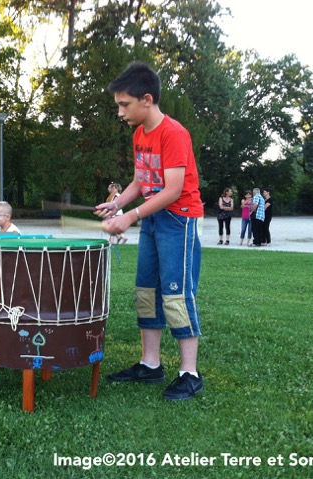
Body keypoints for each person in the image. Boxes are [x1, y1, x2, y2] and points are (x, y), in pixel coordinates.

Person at [94, 62, 204, 401]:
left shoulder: (173, 133)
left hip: (178, 220)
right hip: (155, 220)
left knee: (176, 294)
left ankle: (189, 373)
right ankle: (151, 364)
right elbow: (142, 181)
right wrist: (118, 205)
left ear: (146, 99)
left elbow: (171, 190)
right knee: (145, 292)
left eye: (124, 104)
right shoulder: (140, 134)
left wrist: (130, 218)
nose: (120, 111)